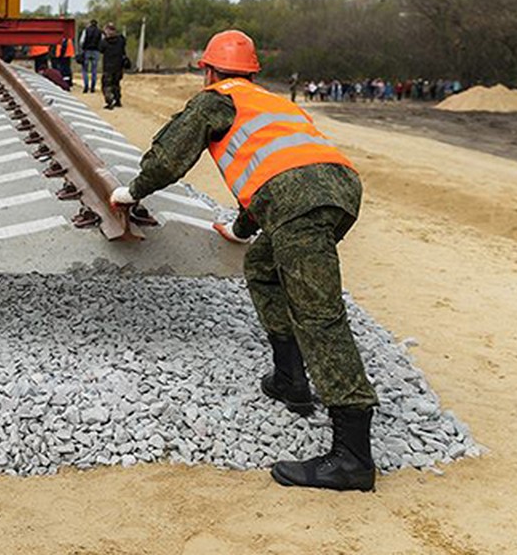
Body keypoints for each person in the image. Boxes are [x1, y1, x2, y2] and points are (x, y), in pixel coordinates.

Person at [110, 29, 377, 491]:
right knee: (261, 266)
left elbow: (172, 155)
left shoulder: (216, 99)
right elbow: (276, 167)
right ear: (253, 71)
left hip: (299, 205)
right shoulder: (274, 102)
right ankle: (290, 379)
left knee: (320, 316)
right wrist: (239, 230)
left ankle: (353, 457)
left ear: (208, 71)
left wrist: (132, 191)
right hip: (337, 189)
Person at [99, 23, 127, 110]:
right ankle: (118, 100)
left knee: (106, 84)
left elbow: (100, 49)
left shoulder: (104, 42)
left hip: (108, 66)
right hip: (119, 65)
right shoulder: (121, 40)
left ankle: (110, 100)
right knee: (116, 83)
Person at [79, 19, 102, 94]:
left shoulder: (86, 30)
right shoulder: (100, 31)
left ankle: (86, 86)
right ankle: (93, 87)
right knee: (94, 70)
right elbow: (102, 41)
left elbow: (82, 41)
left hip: (87, 51)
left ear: (90, 24)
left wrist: (82, 49)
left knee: (85, 70)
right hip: (96, 51)